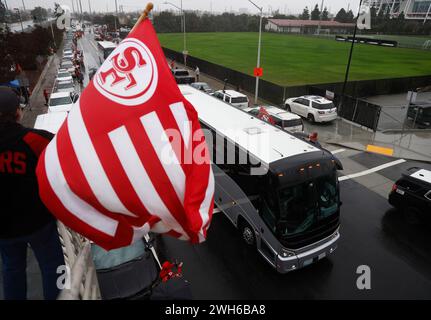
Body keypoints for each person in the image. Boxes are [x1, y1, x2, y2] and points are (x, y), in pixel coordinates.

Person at [0, 87, 65, 300]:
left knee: (11, 270)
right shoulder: (35, 140)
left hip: (5, 230)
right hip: (39, 223)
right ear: (18, 112)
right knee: (54, 267)